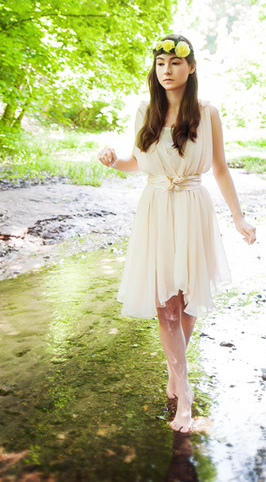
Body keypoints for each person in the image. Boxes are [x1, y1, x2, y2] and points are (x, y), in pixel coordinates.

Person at [98, 34, 256, 433]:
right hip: (155, 208)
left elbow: (220, 169)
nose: (167, 71)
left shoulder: (207, 113)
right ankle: (183, 393)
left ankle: (175, 372)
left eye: (175, 63)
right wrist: (114, 160)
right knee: (164, 301)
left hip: (192, 205)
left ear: (191, 68)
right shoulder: (144, 110)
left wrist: (239, 218)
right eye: (161, 64)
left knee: (187, 302)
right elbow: (136, 163)